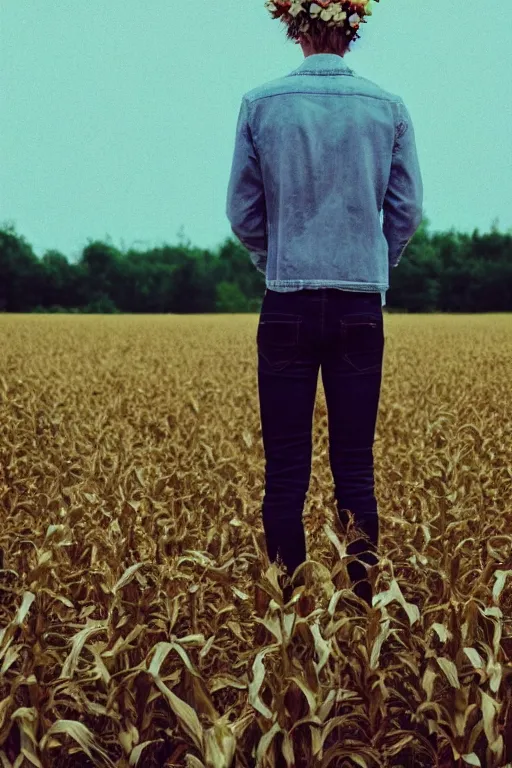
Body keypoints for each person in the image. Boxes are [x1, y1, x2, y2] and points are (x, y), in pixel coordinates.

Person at [226, 0, 423, 607]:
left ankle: (288, 616)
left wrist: (276, 258)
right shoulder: (388, 107)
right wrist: (370, 265)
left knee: (286, 471)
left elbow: (243, 213)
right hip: (360, 308)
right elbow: (407, 210)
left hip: (285, 303)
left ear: (294, 25)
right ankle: (360, 613)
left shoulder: (261, 104)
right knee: (355, 468)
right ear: (352, 27)